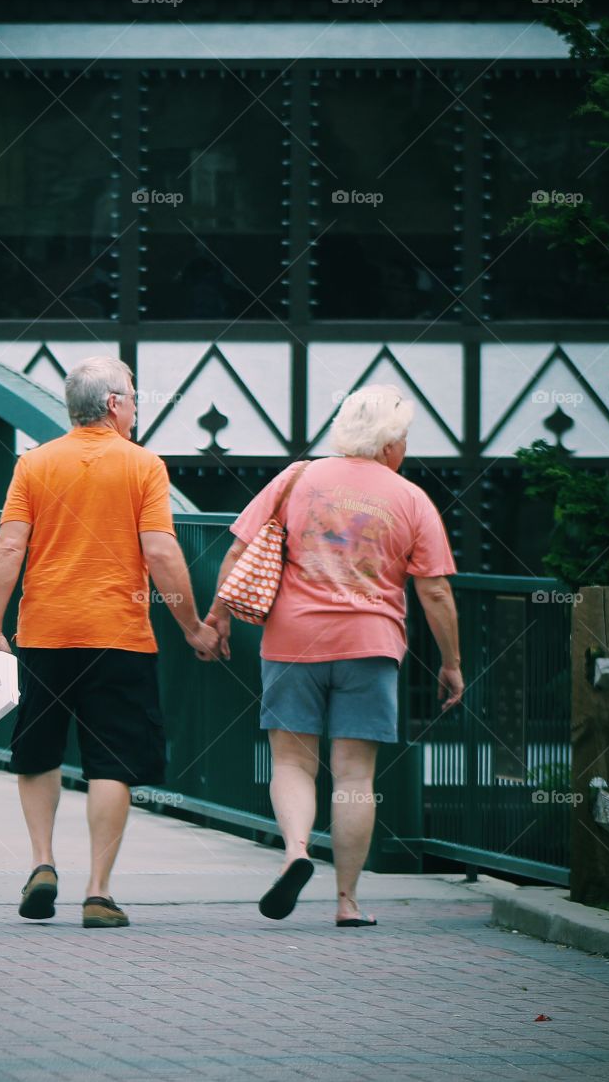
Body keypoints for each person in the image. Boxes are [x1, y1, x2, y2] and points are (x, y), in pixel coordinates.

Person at [205, 384, 463, 927]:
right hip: (370, 645)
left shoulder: (297, 477)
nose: (405, 448)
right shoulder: (411, 498)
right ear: (389, 443)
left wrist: (219, 615)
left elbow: (238, 551)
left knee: (292, 762)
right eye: (404, 438)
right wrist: (451, 663)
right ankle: (347, 901)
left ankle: (296, 852)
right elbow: (435, 591)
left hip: (293, 641)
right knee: (353, 777)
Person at [0, 356, 221, 929]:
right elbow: (160, 551)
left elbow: (9, 546)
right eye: (132, 397)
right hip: (119, 637)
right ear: (113, 404)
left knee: (37, 751)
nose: (136, 407)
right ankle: (98, 893)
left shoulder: (35, 463)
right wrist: (192, 626)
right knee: (111, 762)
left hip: (45, 634)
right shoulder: (143, 465)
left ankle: (42, 864)